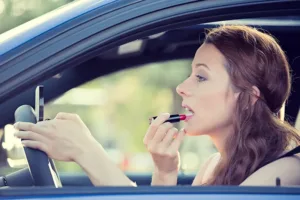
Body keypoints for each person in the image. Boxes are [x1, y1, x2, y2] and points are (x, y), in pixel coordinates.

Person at [14, 25, 300, 186]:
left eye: (201, 77)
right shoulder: (215, 166)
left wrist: (86, 152)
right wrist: (165, 171)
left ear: (248, 97)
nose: (181, 88)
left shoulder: (284, 173)